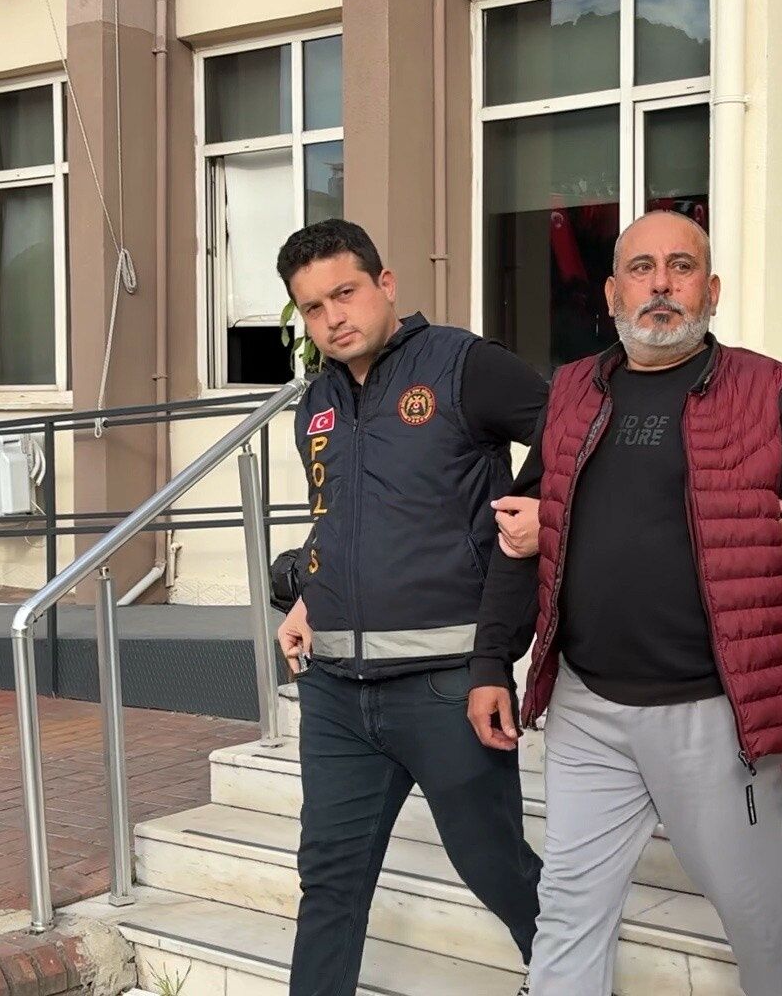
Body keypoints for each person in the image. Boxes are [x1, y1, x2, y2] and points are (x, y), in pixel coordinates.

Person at [469, 210, 782, 996]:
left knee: (759, 919)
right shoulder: (572, 392)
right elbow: (526, 532)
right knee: (567, 913)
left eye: (681, 268)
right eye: (642, 268)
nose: (661, 285)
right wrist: (492, 660)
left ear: (711, 290)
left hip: (719, 716)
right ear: (611, 293)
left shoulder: (768, 392)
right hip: (588, 710)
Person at [272, 219, 544, 996]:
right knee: (328, 880)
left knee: (494, 864)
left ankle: (571, 977)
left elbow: (580, 433)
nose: (333, 317)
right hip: (335, 691)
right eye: (314, 307)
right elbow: (340, 516)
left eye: (346, 293)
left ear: (385, 284)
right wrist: (310, 588)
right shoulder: (317, 403)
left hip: (447, 682)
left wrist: (539, 510)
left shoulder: (462, 365)